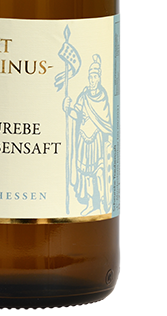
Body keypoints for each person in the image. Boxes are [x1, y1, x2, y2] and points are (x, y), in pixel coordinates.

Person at [63, 54, 112, 216]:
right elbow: (76, 113)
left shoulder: (102, 97)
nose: (92, 80)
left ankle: (100, 202)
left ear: (99, 78)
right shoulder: (84, 96)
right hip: (83, 139)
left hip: (96, 139)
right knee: (85, 174)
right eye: (90, 77)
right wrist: (67, 109)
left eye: (95, 77)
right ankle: (91, 203)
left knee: (98, 172)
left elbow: (106, 121)